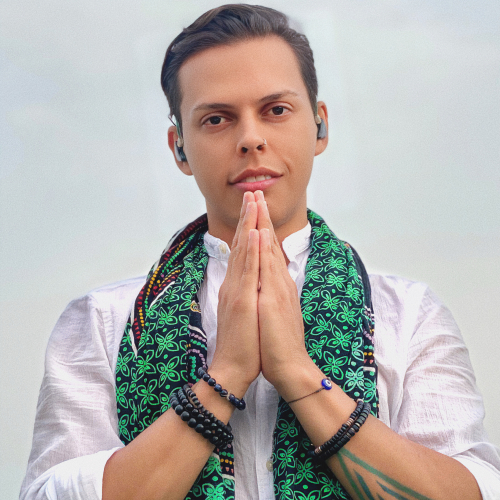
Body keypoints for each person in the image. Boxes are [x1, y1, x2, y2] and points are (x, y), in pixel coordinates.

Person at [20, 4, 500, 500]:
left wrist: (297, 372)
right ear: (179, 148)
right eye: (216, 119)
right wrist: (225, 375)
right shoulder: (101, 324)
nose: (251, 139)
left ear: (320, 126)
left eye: (276, 110)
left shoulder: (408, 316)